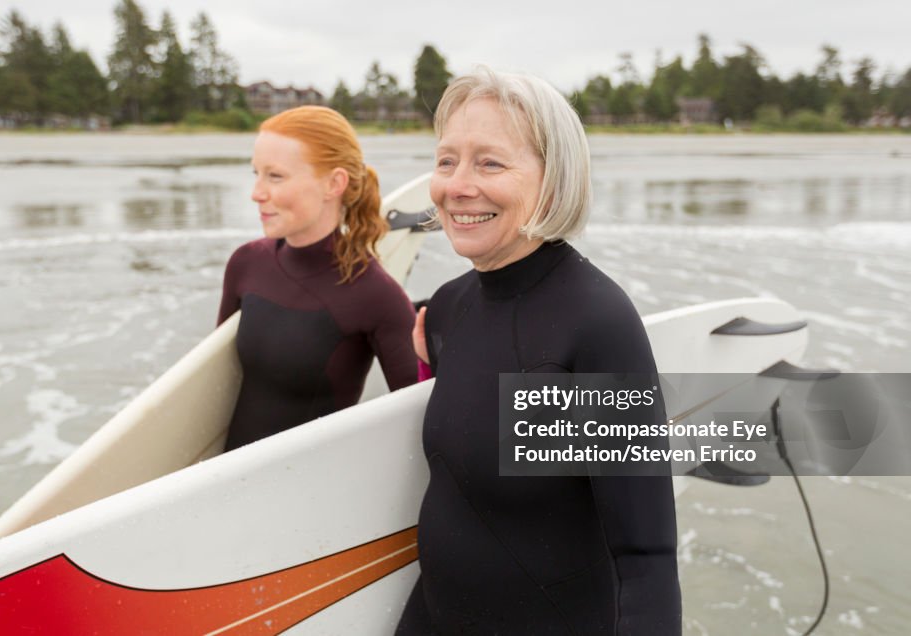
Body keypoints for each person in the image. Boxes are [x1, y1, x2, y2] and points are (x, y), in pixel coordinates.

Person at [398, 69, 681, 634]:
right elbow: (462, 454)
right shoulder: (450, 309)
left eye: (490, 163)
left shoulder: (597, 324)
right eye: (447, 160)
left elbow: (644, 557)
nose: (457, 185)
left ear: (554, 181)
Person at [217, 105, 418, 451]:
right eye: (256, 174)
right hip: (224, 484)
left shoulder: (375, 295)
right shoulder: (246, 263)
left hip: (310, 493)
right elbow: (212, 387)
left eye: (275, 176)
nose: (256, 192)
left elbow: (419, 420)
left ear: (334, 183)